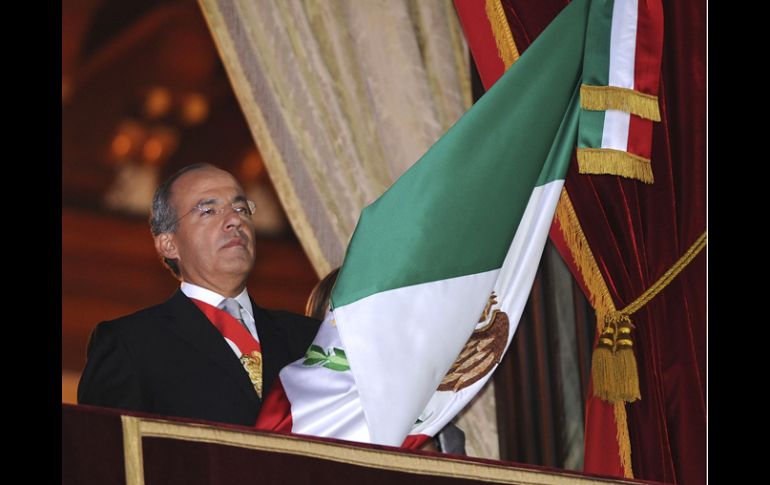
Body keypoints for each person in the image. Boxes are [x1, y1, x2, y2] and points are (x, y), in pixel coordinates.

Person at [78, 163, 321, 426]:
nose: (235, 220)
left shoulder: (309, 339)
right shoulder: (131, 343)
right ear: (169, 244)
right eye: (208, 211)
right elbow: (103, 455)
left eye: (241, 208)